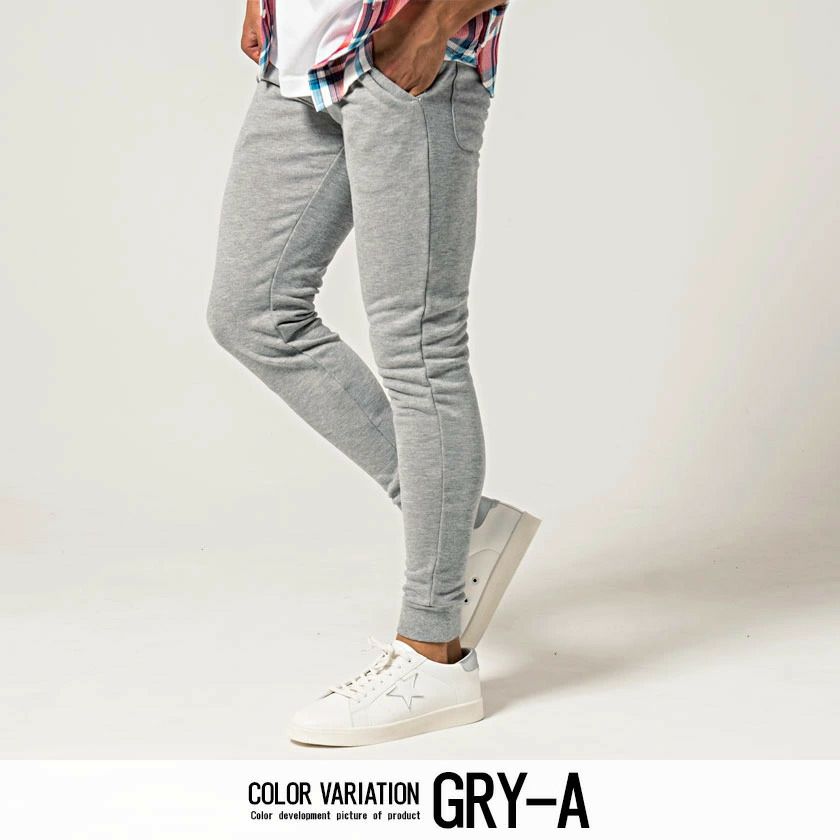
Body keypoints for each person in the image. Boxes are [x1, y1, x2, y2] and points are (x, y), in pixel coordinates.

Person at [208, 0, 539, 747]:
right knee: (252, 312)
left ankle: (434, 655)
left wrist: (429, 25)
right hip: (301, 60)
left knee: (420, 348)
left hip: (405, 58)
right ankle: (463, 522)